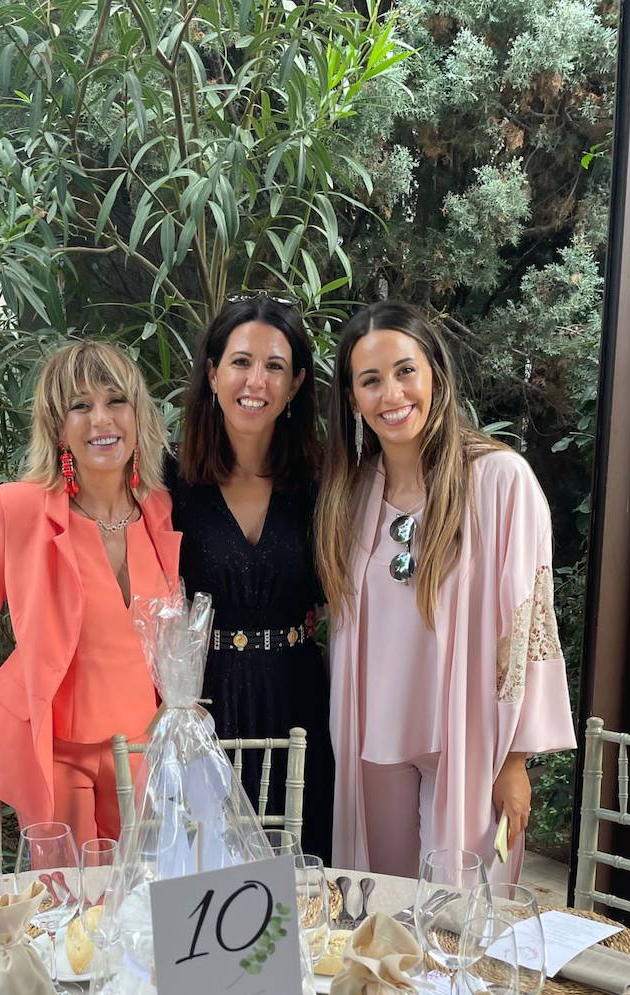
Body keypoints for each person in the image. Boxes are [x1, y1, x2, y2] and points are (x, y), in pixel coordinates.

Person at [316, 301, 576, 879]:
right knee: (380, 920)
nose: (391, 394)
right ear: (353, 400)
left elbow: (532, 625)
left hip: (469, 748)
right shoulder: (349, 497)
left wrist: (516, 760)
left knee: (460, 931)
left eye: (405, 371)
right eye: (371, 380)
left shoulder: (500, 481)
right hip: (374, 747)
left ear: (434, 372)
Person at [0, 340, 180, 848]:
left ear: (138, 414)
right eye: (81, 405)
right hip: (55, 743)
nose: (102, 419)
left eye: (116, 401)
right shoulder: (20, 510)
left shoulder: (160, 509)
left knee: (141, 899)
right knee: (70, 900)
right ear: (57, 427)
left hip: (141, 744)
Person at [169, 295, 334, 861]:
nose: (255, 381)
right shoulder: (169, 484)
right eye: (240, 362)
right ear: (213, 373)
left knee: (305, 868)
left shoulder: (324, 483)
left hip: (301, 702)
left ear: (296, 385)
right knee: (211, 874)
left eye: (275, 366)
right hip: (204, 706)